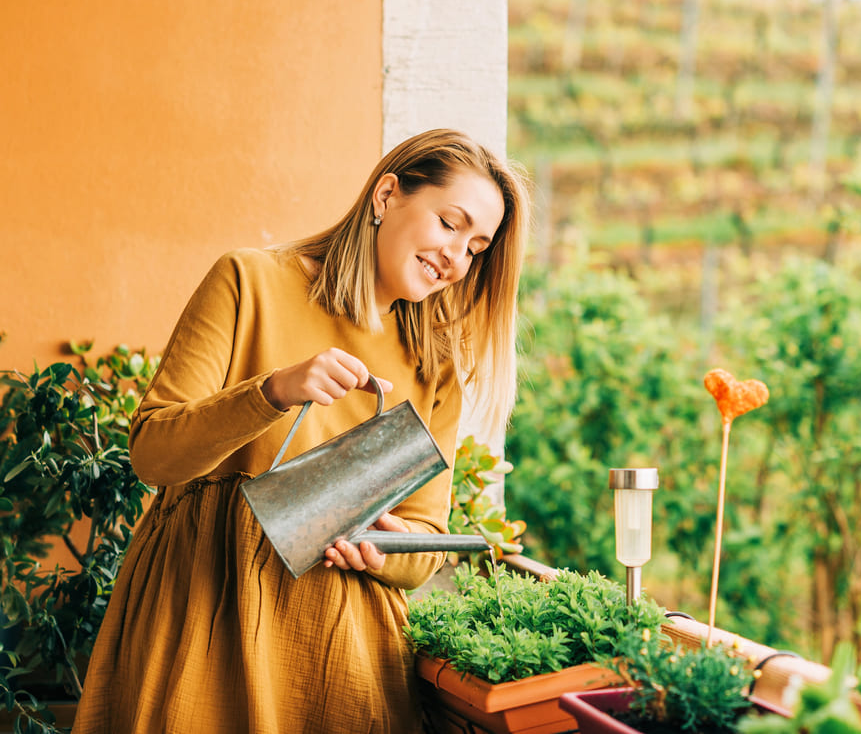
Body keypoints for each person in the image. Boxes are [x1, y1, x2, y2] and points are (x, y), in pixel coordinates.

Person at [71, 129, 531, 734]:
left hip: (340, 650)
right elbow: (154, 456)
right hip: (205, 612)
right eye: (449, 223)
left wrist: (383, 549)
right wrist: (273, 392)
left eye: (475, 247)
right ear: (386, 195)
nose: (457, 258)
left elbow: (422, 547)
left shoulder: (434, 366)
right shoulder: (248, 282)